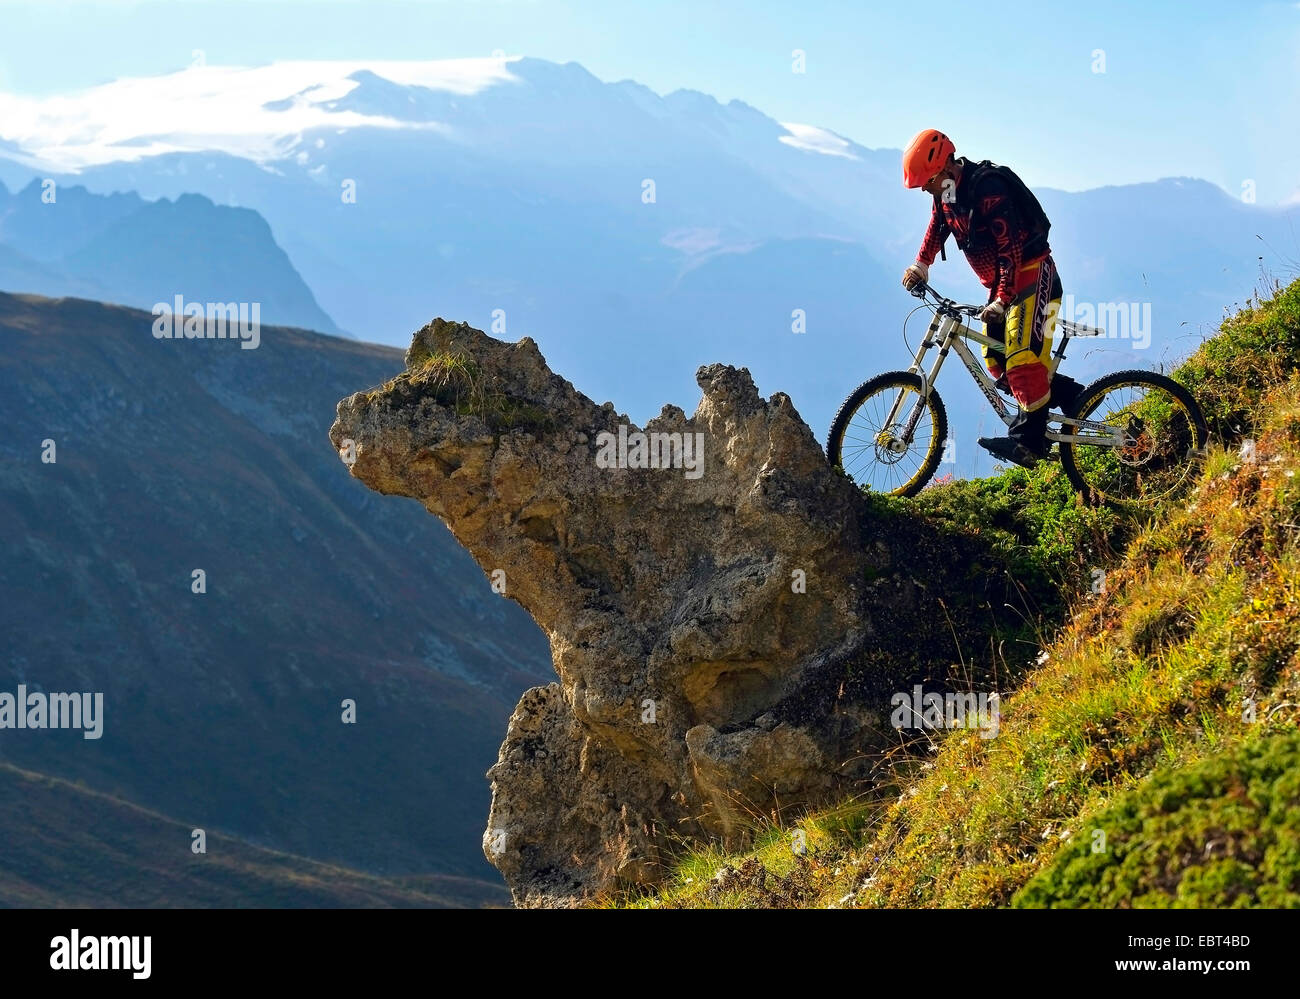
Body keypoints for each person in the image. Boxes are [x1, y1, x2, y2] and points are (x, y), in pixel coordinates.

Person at [899, 128, 1084, 467]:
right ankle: (1075, 398)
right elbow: (938, 226)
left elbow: (1009, 246)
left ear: (945, 168)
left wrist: (1001, 298)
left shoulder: (988, 189)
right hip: (1004, 286)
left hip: (1032, 274)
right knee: (997, 362)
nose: (925, 188)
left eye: (928, 181)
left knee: (1022, 359)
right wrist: (921, 265)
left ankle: (1029, 444)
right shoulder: (947, 192)